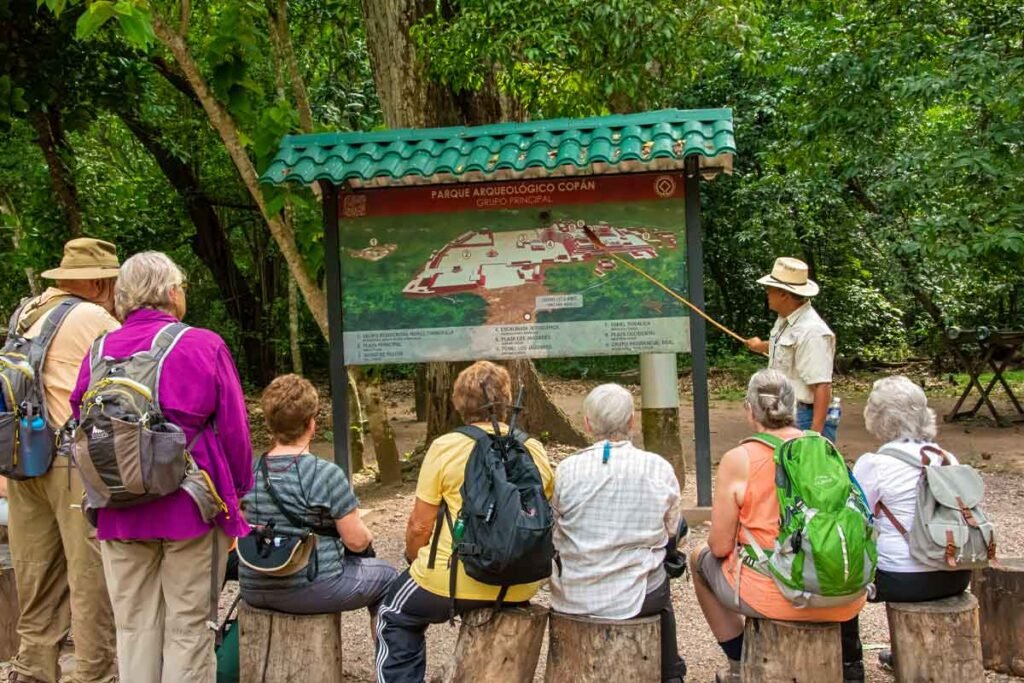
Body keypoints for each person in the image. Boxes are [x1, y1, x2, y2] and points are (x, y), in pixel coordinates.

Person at [69, 251, 254, 683]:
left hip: (116, 508)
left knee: (133, 628)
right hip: (189, 508)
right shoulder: (203, 345)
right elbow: (234, 432)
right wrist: (236, 497)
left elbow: (80, 418)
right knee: (189, 628)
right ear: (172, 292)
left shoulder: (99, 350)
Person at [375, 361, 554, 683]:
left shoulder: (447, 446)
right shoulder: (532, 448)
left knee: (394, 614)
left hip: (452, 579)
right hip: (519, 581)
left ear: (459, 402)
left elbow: (419, 524)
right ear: (507, 398)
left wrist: (416, 559)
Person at [689, 369, 865, 683]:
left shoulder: (740, 458)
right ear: (794, 407)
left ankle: (738, 661)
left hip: (777, 595)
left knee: (698, 557)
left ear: (749, 409)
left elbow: (719, 546)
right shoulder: (825, 449)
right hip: (843, 592)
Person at [5, 238, 120, 683]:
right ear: (97, 282)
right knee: (89, 577)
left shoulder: (27, 311)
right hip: (69, 462)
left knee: (35, 573)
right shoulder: (92, 316)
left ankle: (33, 670)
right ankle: (93, 674)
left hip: (22, 457)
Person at [549, 383, 686, 683]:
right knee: (660, 578)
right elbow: (672, 529)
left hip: (573, 593)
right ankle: (671, 673)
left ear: (587, 423)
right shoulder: (657, 468)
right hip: (634, 595)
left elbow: (553, 526)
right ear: (632, 421)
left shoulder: (566, 470)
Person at [238, 374, 397, 618]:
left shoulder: (248, 470)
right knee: (388, 576)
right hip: (311, 586)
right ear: (312, 424)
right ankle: (388, 656)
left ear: (270, 425)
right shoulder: (325, 474)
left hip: (254, 586)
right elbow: (356, 541)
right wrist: (367, 534)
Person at [848, 375, 972, 670]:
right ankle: (914, 654)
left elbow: (853, 520)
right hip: (956, 574)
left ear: (879, 417)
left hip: (902, 580)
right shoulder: (947, 458)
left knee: (840, 577)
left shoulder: (874, 464)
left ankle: (849, 665)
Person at [744, 257, 837, 442]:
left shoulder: (812, 332)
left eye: (770, 290)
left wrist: (814, 437)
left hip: (803, 415)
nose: (767, 294)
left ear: (784, 295)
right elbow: (786, 348)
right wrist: (759, 346)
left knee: (802, 468)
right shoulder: (785, 319)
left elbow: (821, 385)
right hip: (784, 411)